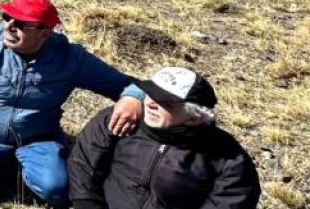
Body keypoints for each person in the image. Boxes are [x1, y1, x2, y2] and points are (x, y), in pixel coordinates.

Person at [0, 0, 143, 207]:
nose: (9, 26)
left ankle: (31, 162)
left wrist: (132, 98)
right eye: (7, 17)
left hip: (37, 139)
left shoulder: (70, 58)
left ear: (45, 33)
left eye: (22, 24)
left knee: (57, 189)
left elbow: (130, 85)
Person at [70, 67, 261, 209]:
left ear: (195, 117)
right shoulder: (120, 118)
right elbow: (83, 166)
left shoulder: (228, 158)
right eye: (149, 93)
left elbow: (231, 202)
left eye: (165, 102)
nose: (151, 103)